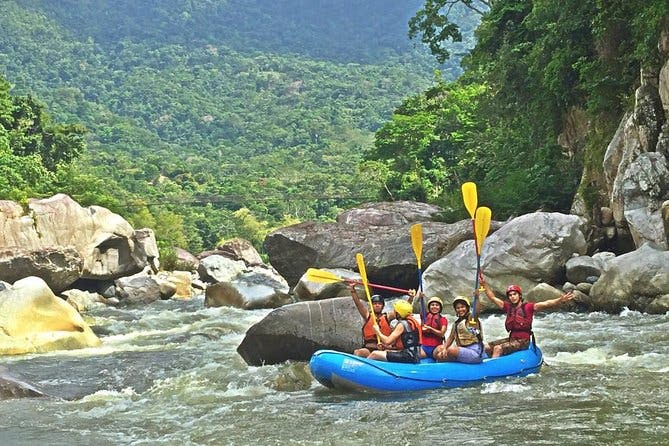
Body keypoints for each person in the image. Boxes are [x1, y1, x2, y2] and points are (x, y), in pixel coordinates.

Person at [480, 277, 574, 357]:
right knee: (487, 347)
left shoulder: (528, 307)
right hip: (512, 339)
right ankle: (488, 362)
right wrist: (484, 285)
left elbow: (546, 304)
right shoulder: (508, 307)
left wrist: (560, 300)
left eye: (515, 294)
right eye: (510, 295)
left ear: (519, 295)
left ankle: (494, 367)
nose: (513, 297)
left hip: (523, 341)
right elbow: (492, 298)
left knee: (497, 348)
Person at [434, 295, 485, 363]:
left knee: (450, 350)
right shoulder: (456, 324)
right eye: (458, 308)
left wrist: (477, 298)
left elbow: (477, 311)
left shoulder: (472, 319)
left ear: (467, 308)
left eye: (462, 307)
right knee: (438, 350)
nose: (460, 309)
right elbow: (450, 338)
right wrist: (444, 348)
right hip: (464, 350)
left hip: (475, 352)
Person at [349, 284, 396, 357]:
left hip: (383, 349)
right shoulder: (367, 315)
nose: (377, 305)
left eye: (379, 304)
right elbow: (358, 304)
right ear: (371, 306)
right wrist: (352, 290)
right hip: (369, 349)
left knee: (388, 352)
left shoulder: (387, 317)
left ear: (383, 306)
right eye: (375, 304)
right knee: (358, 352)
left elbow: (400, 311)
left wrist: (411, 298)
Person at [417, 294, 447, 359]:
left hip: (436, 348)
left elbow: (442, 333)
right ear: (429, 307)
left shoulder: (443, 319)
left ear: (440, 307)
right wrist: (421, 298)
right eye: (432, 305)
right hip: (423, 346)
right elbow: (422, 306)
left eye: (437, 305)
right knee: (413, 353)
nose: (434, 307)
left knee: (443, 353)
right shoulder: (425, 316)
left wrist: (430, 329)